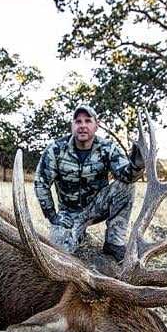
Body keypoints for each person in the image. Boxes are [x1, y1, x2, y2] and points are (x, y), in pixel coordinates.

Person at [34, 105, 144, 262]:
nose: (83, 125)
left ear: (96, 125)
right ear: (72, 125)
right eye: (78, 121)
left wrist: (137, 165)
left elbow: (126, 176)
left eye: (88, 121)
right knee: (58, 254)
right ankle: (78, 232)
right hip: (69, 214)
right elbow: (41, 183)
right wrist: (52, 215)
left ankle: (114, 242)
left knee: (126, 186)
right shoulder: (55, 150)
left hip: (97, 207)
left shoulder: (108, 148)